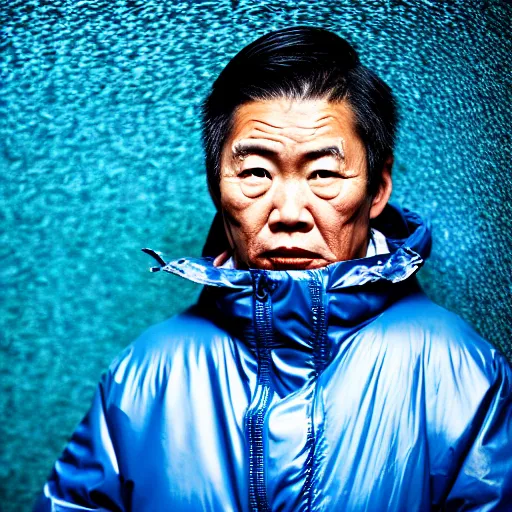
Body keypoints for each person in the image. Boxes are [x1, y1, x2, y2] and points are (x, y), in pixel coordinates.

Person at [35, 26, 512, 511]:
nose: (288, 213)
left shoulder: (464, 373)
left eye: (323, 173)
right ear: (215, 187)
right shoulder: (143, 375)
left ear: (378, 188)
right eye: (256, 172)